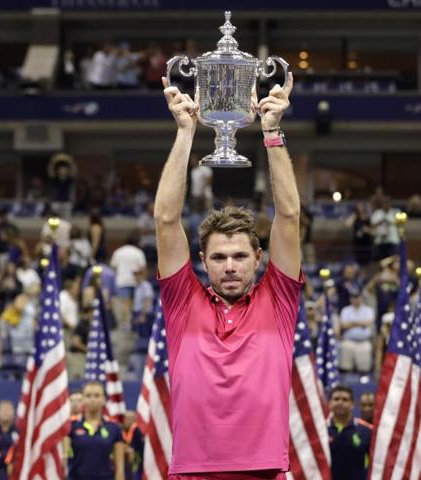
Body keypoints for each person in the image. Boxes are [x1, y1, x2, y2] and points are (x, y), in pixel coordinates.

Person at [155, 73, 300, 478]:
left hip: (265, 470)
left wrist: (272, 133)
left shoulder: (280, 299)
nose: (230, 266)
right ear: (202, 259)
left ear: (258, 257)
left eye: (239, 255)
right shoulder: (183, 301)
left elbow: (288, 216)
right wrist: (185, 132)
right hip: (192, 471)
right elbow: (166, 219)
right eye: (219, 257)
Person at [65, 382, 125, 480]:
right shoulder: (71, 426)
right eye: (88, 396)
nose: (92, 399)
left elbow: (120, 468)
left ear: (104, 399)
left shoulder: (114, 428)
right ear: (83, 399)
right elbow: (63, 459)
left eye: (97, 396)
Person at [328, 385, 372, 480]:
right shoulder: (321, 431)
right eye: (336, 399)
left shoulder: (366, 430)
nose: (340, 402)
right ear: (330, 403)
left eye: (345, 399)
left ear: (353, 404)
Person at [338, 290, 374, 373]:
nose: (355, 299)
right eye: (353, 297)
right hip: (348, 341)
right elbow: (344, 325)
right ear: (350, 299)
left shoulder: (368, 310)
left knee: (364, 369)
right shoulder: (345, 310)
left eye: (357, 297)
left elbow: (368, 323)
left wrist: (352, 323)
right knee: (345, 366)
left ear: (360, 298)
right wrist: (360, 323)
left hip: (364, 342)